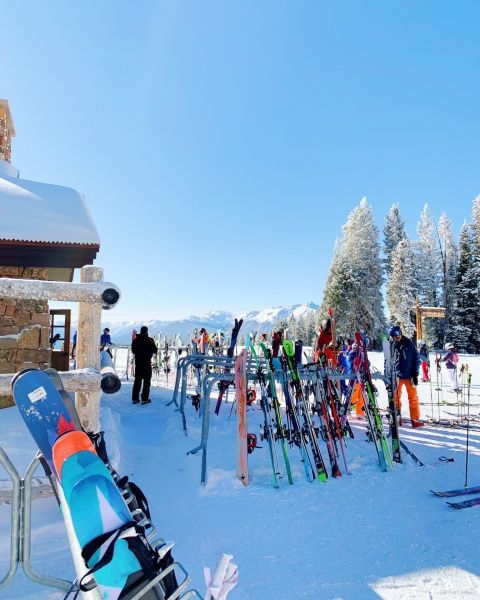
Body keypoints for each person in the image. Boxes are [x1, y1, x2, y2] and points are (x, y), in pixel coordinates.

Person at [389, 325, 423, 428]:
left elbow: (416, 359)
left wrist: (415, 373)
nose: (396, 337)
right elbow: (388, 361)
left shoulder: (409, 344)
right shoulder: (392, 345)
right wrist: (389, 375)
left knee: (413, 398)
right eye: (394, 336)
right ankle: (396, 417)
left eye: (398, 334)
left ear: (400, 333)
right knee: (395, 398)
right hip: (397, 375)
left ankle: (415, 419)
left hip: (409, 375)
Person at [131, 325, 158, 404]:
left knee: (137, 381)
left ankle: (135, 398)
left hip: (138, 364)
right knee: (146, 382)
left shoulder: (136, 340)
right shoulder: (149, 340)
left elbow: (133, 351)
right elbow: (155, 350)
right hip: (146, 364)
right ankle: (144, 399)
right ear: (147, 331)